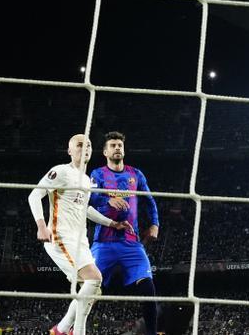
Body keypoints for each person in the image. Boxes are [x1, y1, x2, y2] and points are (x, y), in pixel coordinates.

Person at [29, 134, 132, 335]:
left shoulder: (86, 180)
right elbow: (34, 195)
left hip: (80, 241)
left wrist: (114, 224)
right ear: (69, 151)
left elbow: (87, 210)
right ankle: (72, 330)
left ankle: (60, 329)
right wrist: (42, 225)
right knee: (94, 279)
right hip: (60, 236)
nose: (85, 148)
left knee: (94, 289)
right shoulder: (61, 171)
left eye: (89, 145)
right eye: (79, 145)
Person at [88, 132, 160, 335]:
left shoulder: (135, 174)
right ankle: (71, 329)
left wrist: (154, 224)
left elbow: (150, 201)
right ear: (105, 151)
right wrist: (106, 200)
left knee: (148, 288)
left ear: (124, 149)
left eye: (120, 145)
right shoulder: (97, 174)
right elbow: (89, 203)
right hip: (104, 242)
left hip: (131, 243)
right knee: (88, 289)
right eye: (113, 145)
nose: (117, 148)